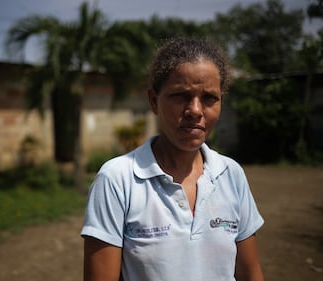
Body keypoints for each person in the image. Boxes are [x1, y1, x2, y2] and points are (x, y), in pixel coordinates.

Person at [81, 37, 264, 281]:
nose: (196, 111)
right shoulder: (118, 180)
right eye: (180, 95)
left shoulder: (231, 174)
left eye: (209, 98)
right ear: (154, 101)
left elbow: (250, 274)